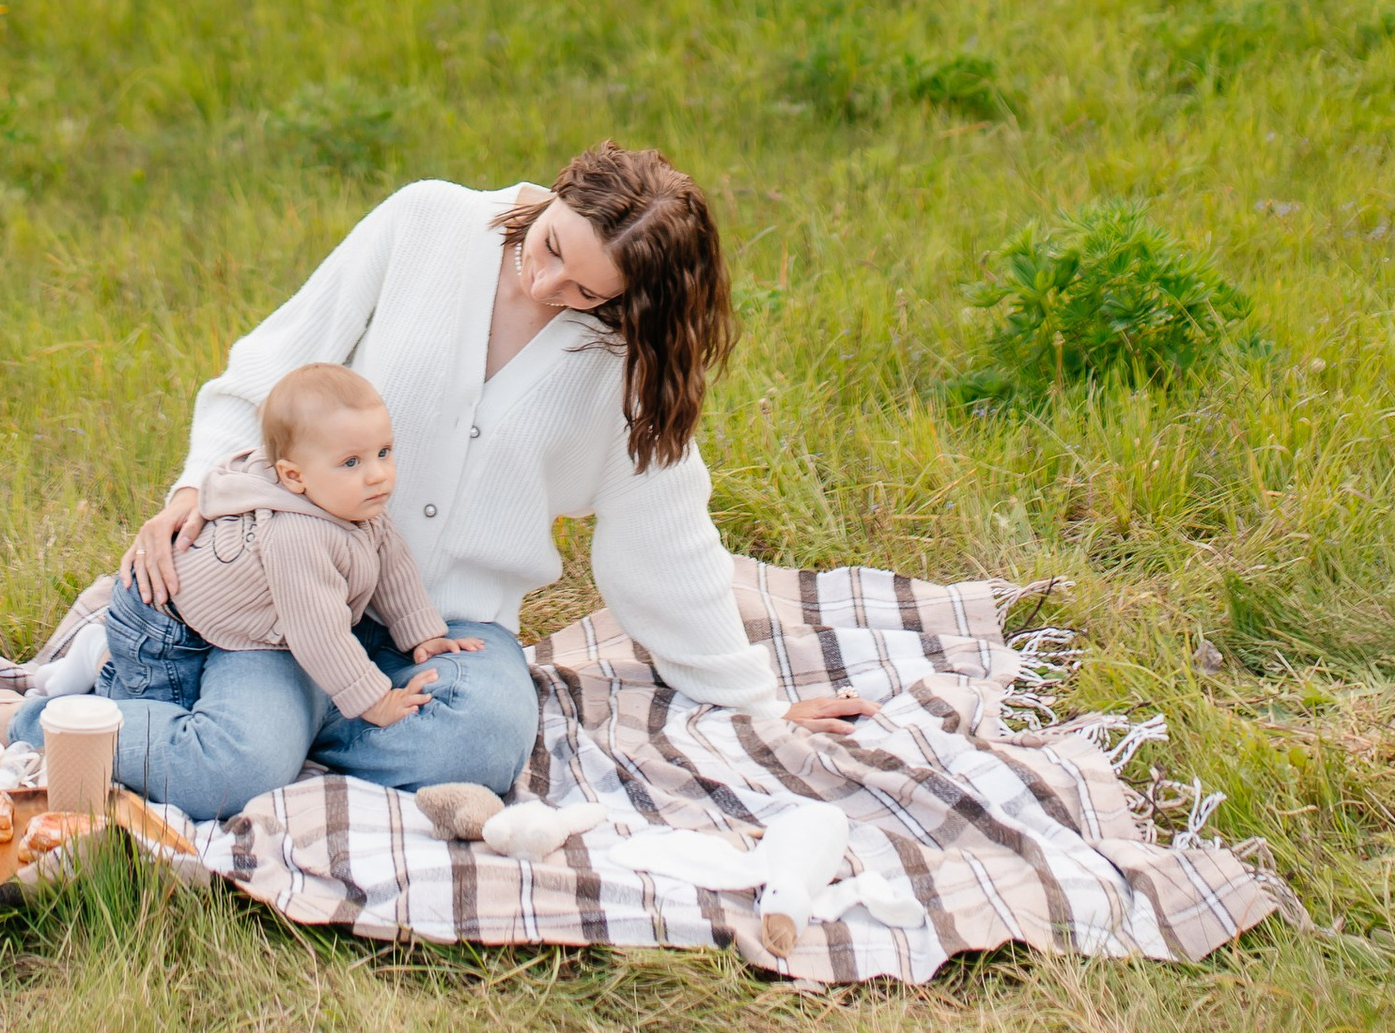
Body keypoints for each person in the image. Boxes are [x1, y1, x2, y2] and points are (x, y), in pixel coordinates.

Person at [97, 142, 874, 825]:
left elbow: (665, 543)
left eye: (586, 292)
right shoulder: (426, 221)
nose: (547, 286)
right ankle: (112, 728)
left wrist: (758, 705)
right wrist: (194, 487)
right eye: (551, 248)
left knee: (482, 741)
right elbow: (276, 359)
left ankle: (276, 728)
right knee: (237, 766)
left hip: (452, 632)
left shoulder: (624, 362)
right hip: (287, 608)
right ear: (561, 192)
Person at [96, 360, 484, 793]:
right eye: (351, 461)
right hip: (167, 626)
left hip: (233, 626)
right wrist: (374, 700)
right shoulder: (297, 533)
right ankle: (81, 705)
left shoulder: (353, 502)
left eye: (383, 453)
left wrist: (422, 634)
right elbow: (319, 632)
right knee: (171, 717)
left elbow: (393, 566)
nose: (377, 474)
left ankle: (103, 676)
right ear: (293, 477)